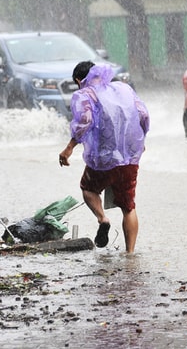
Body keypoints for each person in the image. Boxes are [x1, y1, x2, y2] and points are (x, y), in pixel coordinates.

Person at [59, 61, 149, 253]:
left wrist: (69, 148)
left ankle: (103, 219)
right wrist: (140, 140)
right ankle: (130, 254)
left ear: (78, 80)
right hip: (129, 157)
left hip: (102, 159)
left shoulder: (85, 94)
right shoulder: (123, 89)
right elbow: (143, 115)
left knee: (89, 189)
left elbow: (85, 120)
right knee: (128, 206)